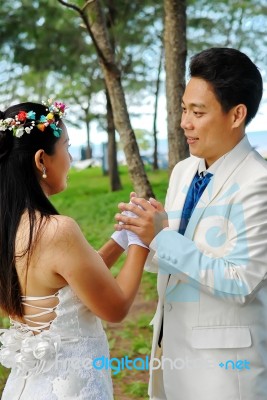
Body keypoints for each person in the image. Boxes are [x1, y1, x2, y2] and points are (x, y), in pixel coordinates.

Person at [114, 48, 267, 399]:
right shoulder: (183, 171)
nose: (185, 122)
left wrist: (163, 236)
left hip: (225, 375)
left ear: (236, 115)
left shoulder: (259, 183)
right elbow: (178, 262)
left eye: (197, 112)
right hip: (171, 355)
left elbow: (241, 282)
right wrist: (145, 232)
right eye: (184, 109)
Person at [0, 100, 148, 400]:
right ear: (42, 160)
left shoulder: (8, 228)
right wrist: (142, 242)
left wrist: (120, 239)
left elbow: (71, 280)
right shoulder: (56, 230)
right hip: (69, 388)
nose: (69, 157)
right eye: (66, 147)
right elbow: (115, 308)